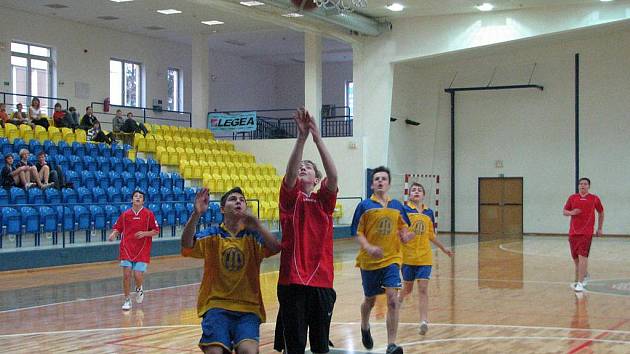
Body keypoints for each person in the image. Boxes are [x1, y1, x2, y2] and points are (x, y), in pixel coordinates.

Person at [181, 187, 281, 354]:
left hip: (248, 308)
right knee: (215, 351)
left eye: (242, 200)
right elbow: (186, 244)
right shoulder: (212, 235)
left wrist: (257, 224)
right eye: (233, 199)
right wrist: (196, 214)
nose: (238, 202)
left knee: (247, 351)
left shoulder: (253, 237)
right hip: (216, 306)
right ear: (222, 208)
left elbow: (275, 247)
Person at [272, 108, 338, 354]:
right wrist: (301, 139)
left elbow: (333, 176)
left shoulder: (323, 201)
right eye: (301, 166)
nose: (302, 168)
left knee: (321, 346)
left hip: (322, 281)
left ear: (316, 177)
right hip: (292, 282)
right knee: (295, 346)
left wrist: (317, 138)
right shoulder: (290, 200)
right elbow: (289, 176)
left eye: (308, 167)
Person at [351, 166, 412, 354]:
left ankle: (391, 344)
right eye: (376, 179)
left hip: (392, 259)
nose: (380, 181)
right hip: (369, 261)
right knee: (369, 300)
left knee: (392, 299)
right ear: (372, 184)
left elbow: (403, 226)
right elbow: (357, 232)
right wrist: (368, 247)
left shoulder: (396, 206)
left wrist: (405, 235)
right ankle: (364, 325)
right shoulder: (365, 206)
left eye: (383, 179)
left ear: (388, 183)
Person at [397, 182, 453, 335]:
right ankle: (398, 301)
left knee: (422, 289)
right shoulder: (404, 210)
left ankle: (423, 321)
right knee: (408, 289)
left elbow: (430, 235)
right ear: (409, 194)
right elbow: (400, 233)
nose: (416, 192)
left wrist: (443, 248)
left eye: (419, 190)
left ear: (423, 195)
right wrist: (404, 236)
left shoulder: (428, 212)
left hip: (424, 257)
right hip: (408, 257)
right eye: (413, 190)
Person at [108, 190, 160, 310]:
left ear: (143, 201)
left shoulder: (149, 214)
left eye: (140, 197)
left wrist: (145, 233)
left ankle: (139, 288)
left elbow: (156, 231)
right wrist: (114, 234)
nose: (137, 198)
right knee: (126, 274)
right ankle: (127, 300)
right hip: (127, 248)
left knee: (137, 274)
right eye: (135, 196)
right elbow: (118, 228)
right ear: (132, 199)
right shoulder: (125, 214)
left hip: (142, 249)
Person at [563, 177, 604, 292]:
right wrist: (572, 212)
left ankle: (580, 283)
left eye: (585, 184)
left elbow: (601, 212)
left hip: (586, 233)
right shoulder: (572, 198)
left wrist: (600, 228)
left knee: (582, 257)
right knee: (576, 258)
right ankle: (585, 274)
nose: (582, 186)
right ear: (578, 186)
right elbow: (565, 211)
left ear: (589, 186)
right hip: (573, 233)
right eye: (581, 184)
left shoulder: (594, 199)